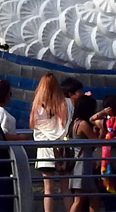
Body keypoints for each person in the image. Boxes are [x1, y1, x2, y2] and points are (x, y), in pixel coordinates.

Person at [31, 72, 74, 212]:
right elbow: (69, 122)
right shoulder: (67, 103)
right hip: (63, 147)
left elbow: (36, 129)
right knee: (66, 188)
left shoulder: (37, 106)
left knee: (48, 190)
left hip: (44, 148)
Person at [68, 93, 102, 212]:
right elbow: (95, 141)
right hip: (84, 164)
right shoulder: (83, 124)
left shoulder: (74, 123)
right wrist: (101, 130)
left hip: (80, 163)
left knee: (89, 197)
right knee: (82, 199)